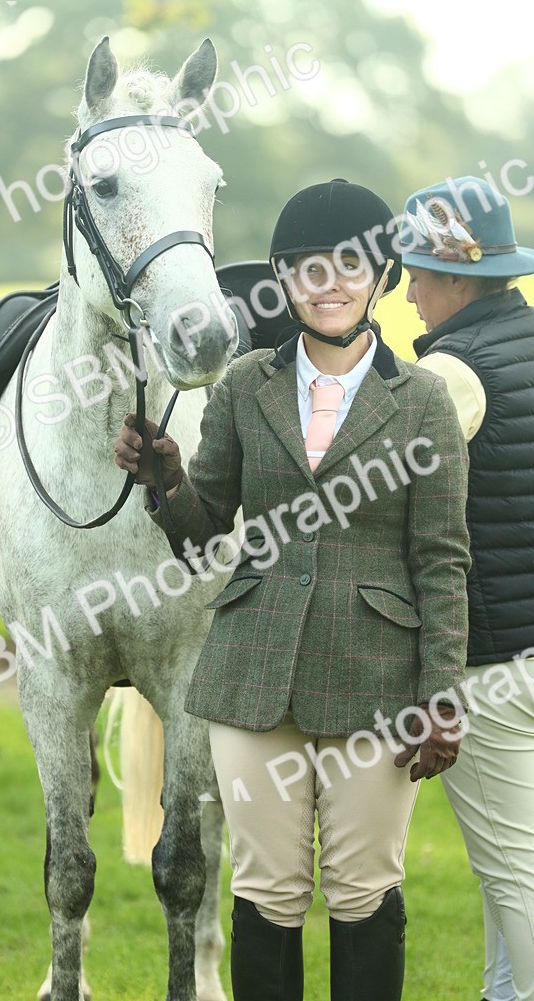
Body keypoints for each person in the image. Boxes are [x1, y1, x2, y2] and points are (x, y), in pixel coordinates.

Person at [114, 179, 471, 1001]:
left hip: (378, 682)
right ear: (284, 280)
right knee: (266, 892)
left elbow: (442, 562)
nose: (331, 282)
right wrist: (167, 479)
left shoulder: (422, 402)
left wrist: (442, 696)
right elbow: (205, 531)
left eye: (349, 265)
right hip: (251, 676)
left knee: (361, 891)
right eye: (309, 269)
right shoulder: (243, 385)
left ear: (379, 277)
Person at [400, 175, 534, 1001]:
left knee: (517, 880)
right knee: (510, 876)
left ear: (456, 277)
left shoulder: (453, 374)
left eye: (416, 273)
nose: (407, 293)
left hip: (487, 667)